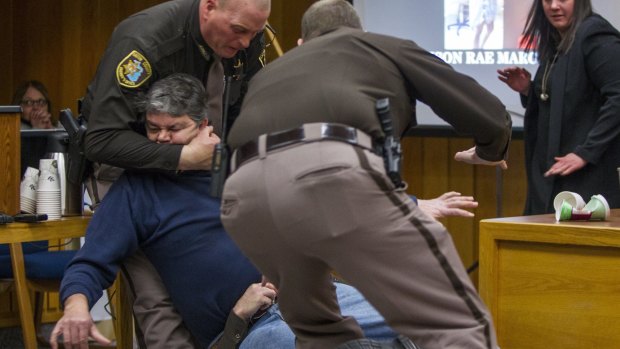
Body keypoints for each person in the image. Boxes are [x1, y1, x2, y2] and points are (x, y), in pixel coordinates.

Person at [50, 74, 473, 349]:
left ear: (203, 127)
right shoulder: (137, 190)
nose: (160, 140)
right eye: (153, 129)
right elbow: (91, 260)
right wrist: (76, 307)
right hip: (252, 325)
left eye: (173, 129)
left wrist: (416, 205)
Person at [220, 1, 512, 348]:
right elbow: (490, 114)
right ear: (359, 34)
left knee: (321, 335)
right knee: (455, 320)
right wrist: (489, 151)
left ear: (302, 44)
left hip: (240, 197)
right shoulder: (380, 46)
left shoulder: (271, 72)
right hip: (331, 171)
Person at [78, 0, 270, 347]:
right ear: (209, 7)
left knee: (222, 270)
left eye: (255, 33)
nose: (246, 42)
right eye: (239, 31)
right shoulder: (144, 40)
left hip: (204, 167)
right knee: (158, 301)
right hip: (128, 169)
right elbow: (101, 139)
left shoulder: (247, 36)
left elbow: (248, 111)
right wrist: (181, 154)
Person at [497, 0, 620, 215]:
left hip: (588, 179)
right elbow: (567, 98)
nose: (553, 6)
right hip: (553, 173)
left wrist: (586, 152)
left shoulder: (595, 37)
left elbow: (618, 97)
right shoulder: (557, 41)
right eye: (547, 0)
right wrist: (528, 90)